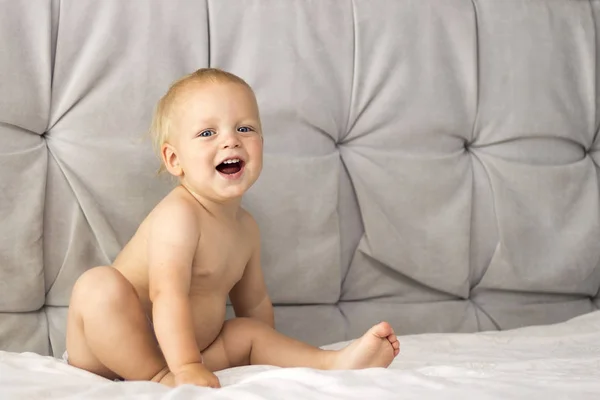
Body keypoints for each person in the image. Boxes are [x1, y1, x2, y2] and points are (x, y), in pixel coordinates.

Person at [64, 68, 400, 388]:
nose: (231, 141)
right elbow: (167, 295)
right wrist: (184, 367)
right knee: (97, 285)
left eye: (245, 128)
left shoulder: (246, 228)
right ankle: (157, 379)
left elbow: (254, 305)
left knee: (246, 331)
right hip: (108, 353)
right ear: (174, 160)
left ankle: (334, 363)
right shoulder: (179, 216)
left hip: (192, 355)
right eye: (208, 133)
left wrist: (263, 357)